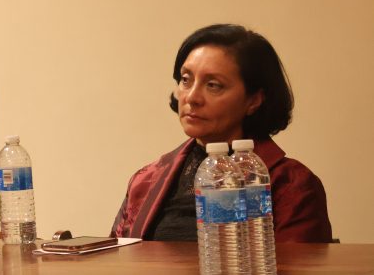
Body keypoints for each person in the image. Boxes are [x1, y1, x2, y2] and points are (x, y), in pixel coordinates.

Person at [111, 24, 332, 242]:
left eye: (214, 85)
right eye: (186, 80)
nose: (192, 97)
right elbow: (117, 261)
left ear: (254, 100)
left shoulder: (291, 185)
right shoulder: (147, 179)